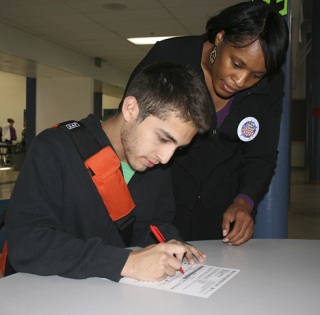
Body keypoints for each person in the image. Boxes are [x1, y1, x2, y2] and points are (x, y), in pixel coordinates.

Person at [3, 62, 211, 281]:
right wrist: (125, 263)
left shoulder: (154, 163)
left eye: (178, 147)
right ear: (131, 109)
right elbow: (27, 242)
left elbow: (157, 223)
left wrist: (169, 242)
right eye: (163, 138)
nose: (166, 157)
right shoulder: (55, 148)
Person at [121, 1, 289, 245]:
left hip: (219, 216)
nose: (241, 80)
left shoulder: (270, 85)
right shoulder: (170, 57)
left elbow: (260, 155)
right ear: (220, 38)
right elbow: (131, 130)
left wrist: (244, 201)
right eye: (237, 63)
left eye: (256, 75)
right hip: (157, 207)